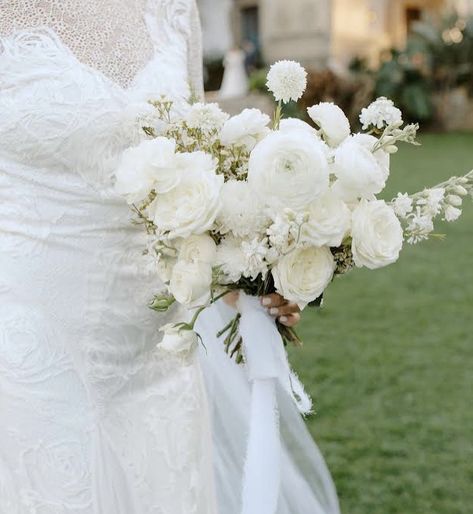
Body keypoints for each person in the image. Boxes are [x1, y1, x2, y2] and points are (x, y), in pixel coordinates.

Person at [0, 1, 339, 512]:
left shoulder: (174, 9)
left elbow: (192, 164)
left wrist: (247, 277)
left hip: (159, 356)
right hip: (27, 343)